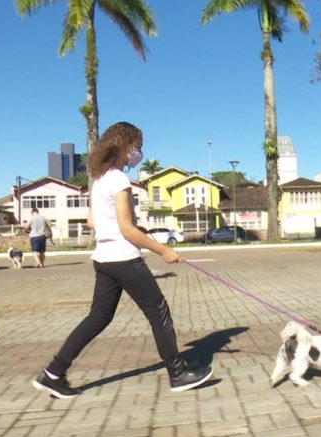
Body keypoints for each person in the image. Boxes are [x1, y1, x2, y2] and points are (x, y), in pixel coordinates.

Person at [31, 122, 213, 399]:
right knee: (158, 312)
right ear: (124, 146)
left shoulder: (100, 179)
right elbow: (126, 229)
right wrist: (162, 250)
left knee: (97, 318)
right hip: (124, 259)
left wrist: (127, 228)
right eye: (137, 147)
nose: (138, 152)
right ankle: (177, 373)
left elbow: (94, 221)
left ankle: (53, 373)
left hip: (103, 259)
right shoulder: (118, 180)